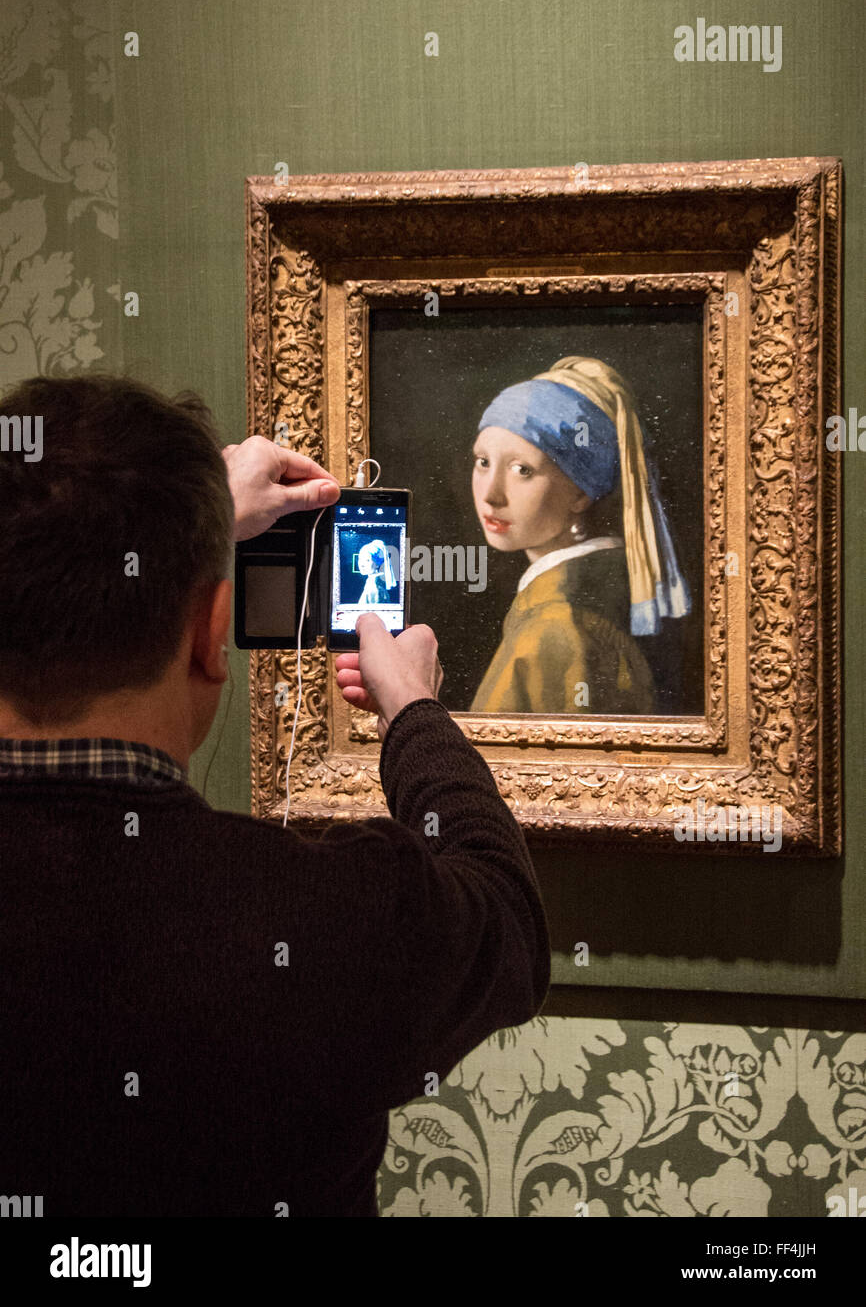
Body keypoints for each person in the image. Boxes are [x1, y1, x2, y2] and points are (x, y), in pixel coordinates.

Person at [0, 373, 550, 1218]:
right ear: (212, 636)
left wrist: (164, 523)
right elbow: (505, 916)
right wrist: (415, 712)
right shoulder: (330, 916)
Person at [470, 355, 691, 715]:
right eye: (483, 462)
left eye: (522, 469)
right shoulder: (601, 592)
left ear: (581, 492)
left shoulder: (555, 625)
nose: (491, 493)